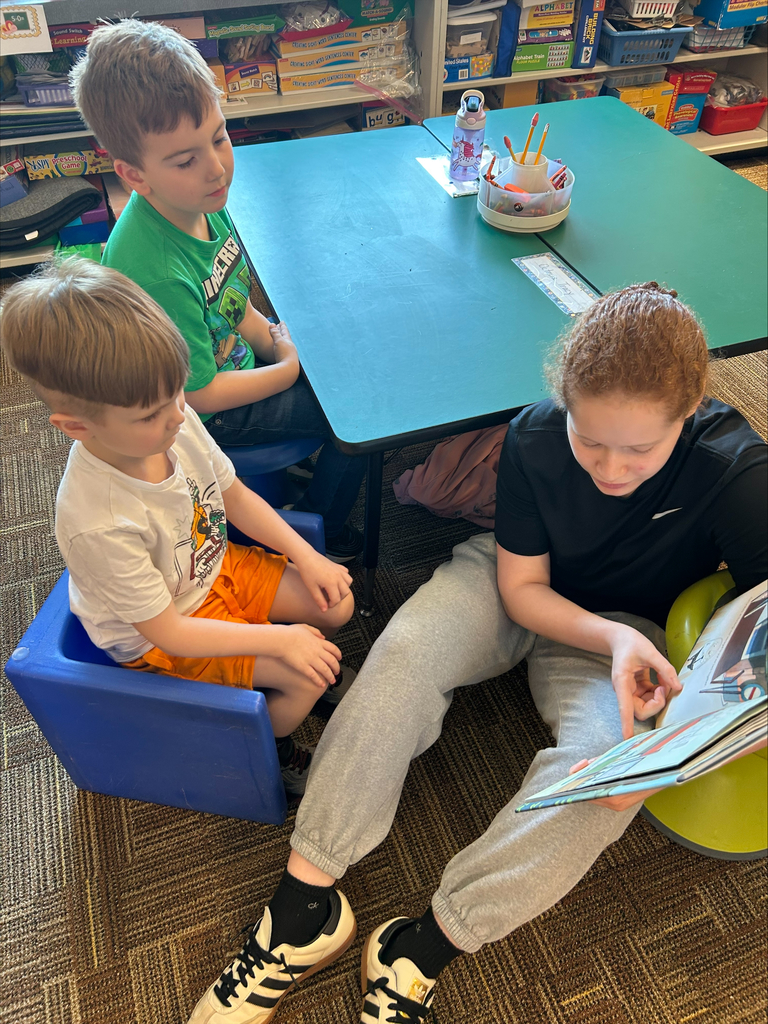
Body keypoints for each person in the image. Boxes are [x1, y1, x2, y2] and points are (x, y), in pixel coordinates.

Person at [184, 283, 767, 1024]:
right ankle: (303, 909)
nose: (611, 469)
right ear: (565, 404)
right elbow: (523, 589)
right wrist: (608, 636)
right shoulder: (534, 435)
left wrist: (676, 726)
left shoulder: (736, 469)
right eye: (590, 440)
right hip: (521, 584)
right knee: (402, 656)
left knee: (606, 785)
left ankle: (424, 947)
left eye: (640, 449)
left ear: (687, 416)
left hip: (630, 631)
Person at [0, 259, 357, 797]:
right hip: (163, 632)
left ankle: (282, 676)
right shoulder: (95, 520)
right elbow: (168, 631)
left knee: (337, 606)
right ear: (76, 427)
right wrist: (280, 640)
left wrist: (307, 557)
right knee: (306, 675)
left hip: (211, 568)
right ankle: (272, 739)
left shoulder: (171, 415)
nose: (175, 418)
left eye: (177, 395)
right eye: (150, 414)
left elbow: (232, 494)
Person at [70, 19, 366, 564]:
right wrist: (286, 369)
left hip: (231, 366)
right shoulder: (154, 268)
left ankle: (304, 455)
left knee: (340, 355)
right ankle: (326, 525)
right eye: (185, 160)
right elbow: (199, 395)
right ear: (134, 176)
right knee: (357, 411)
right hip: (201, 414)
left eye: (220, 137)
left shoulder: (202, 199)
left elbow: (234, 300)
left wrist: (275, 339)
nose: (216, 168)